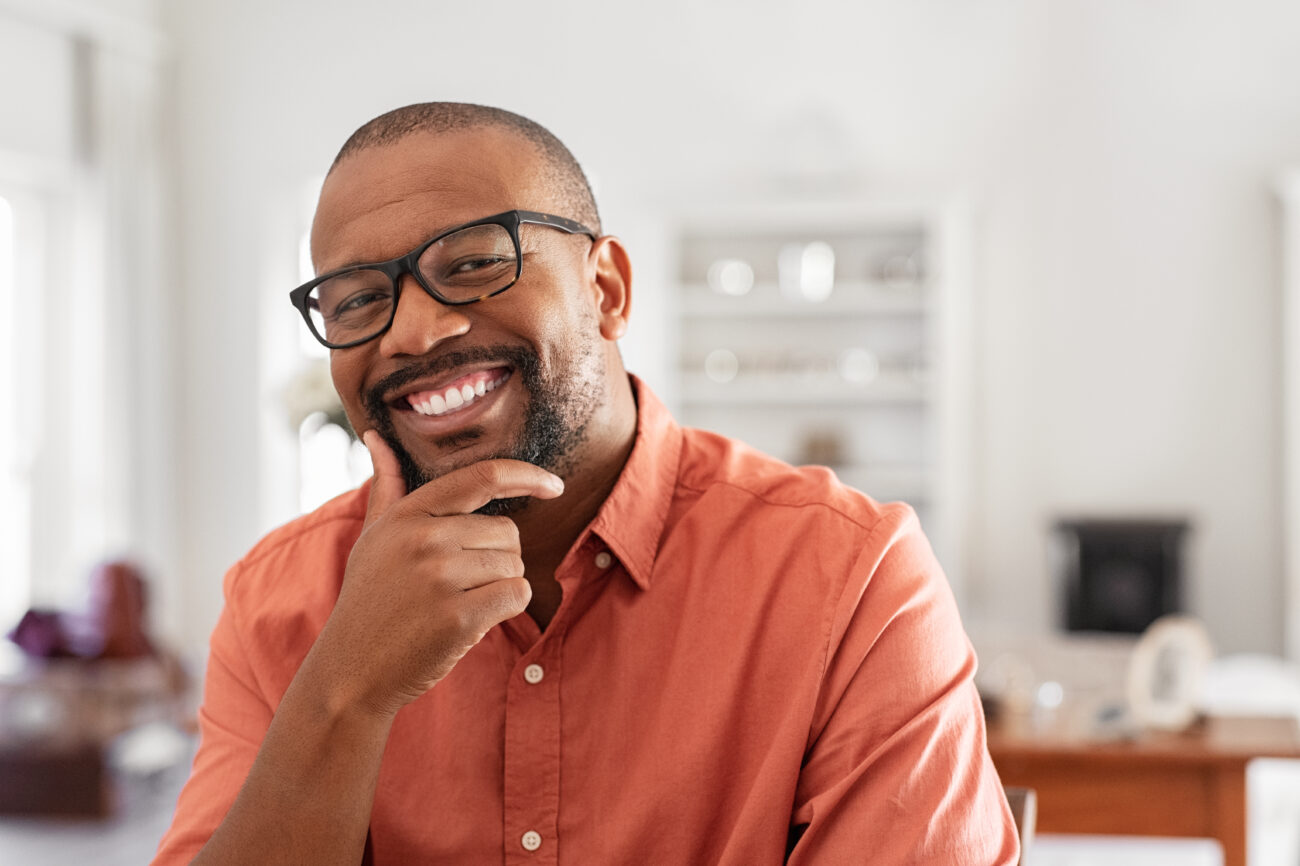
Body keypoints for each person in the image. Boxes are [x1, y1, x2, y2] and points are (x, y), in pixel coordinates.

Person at [154, 102, 1018, 865]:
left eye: (472, 263)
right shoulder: (278, 602)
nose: (413, 332)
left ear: (605, 289)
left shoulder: (852, 579)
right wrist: (344, 690)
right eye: (354, 301)